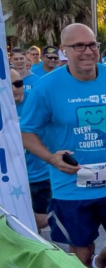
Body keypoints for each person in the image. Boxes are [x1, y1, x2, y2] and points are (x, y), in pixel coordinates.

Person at [19, 24, 106, 268]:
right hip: (71, 186)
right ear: (64, 50)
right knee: (81, 254)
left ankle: (101, 265)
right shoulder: (47, 88)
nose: (87, 51)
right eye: (78, 46)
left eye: (92, 44)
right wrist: (50, 158)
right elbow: (26, 132)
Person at [11, 69, 52, 232]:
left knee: (41, 220)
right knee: (17, 221)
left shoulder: (34, 103)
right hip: (11, 176)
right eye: (9, 85)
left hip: (39, 172)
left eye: (18, 83)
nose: (14, 89)